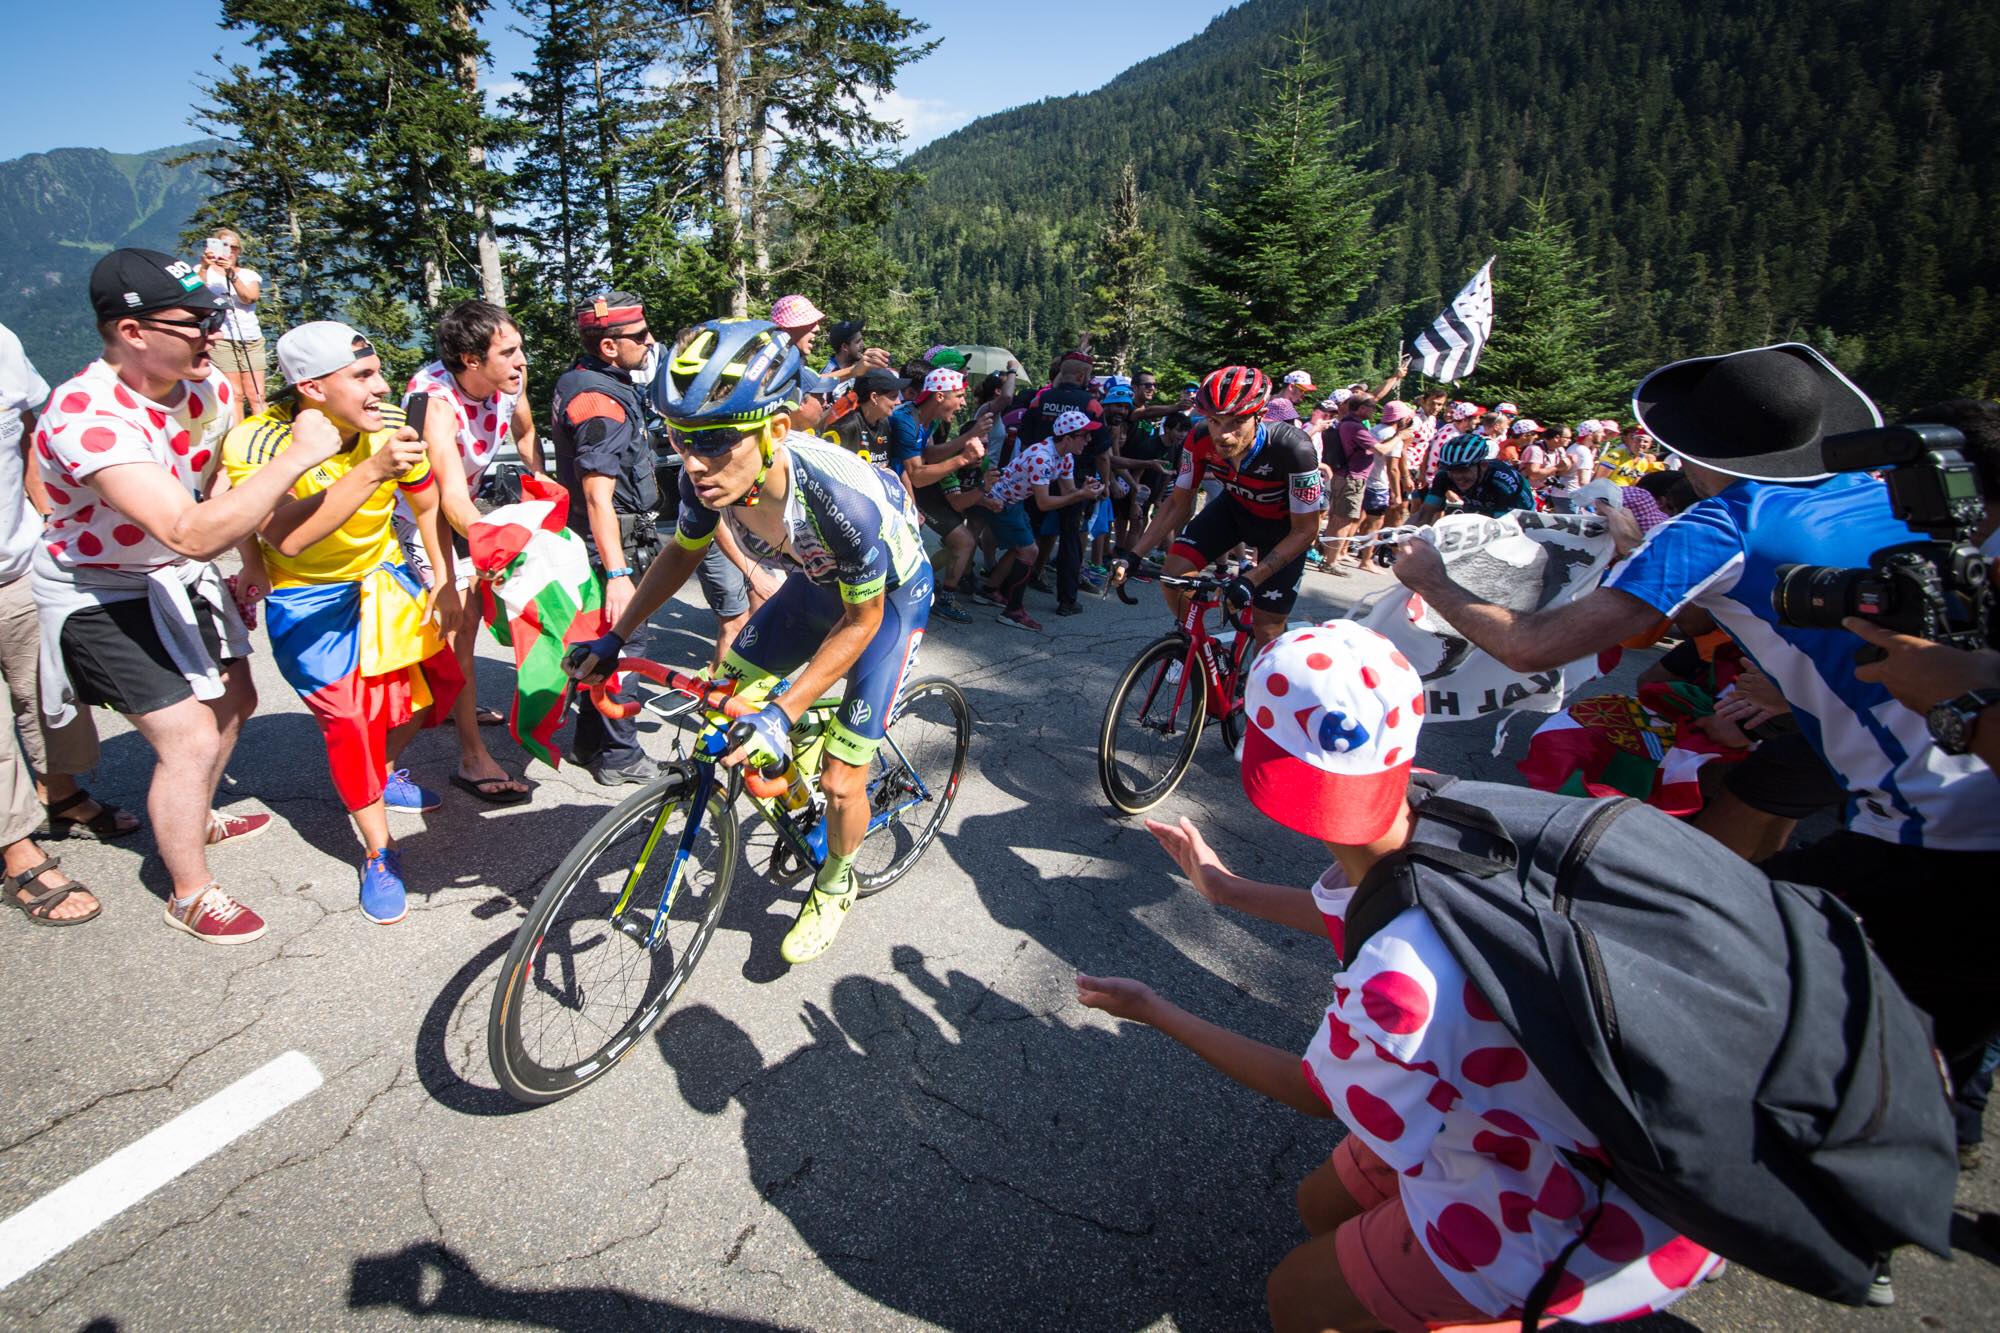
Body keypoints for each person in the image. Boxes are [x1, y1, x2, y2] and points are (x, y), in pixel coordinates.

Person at [1389, 342, 2000, 1095]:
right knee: (1939, 1045)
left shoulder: (1719, 525)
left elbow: (1531, 646)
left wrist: (1433, 580)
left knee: (1735, 986)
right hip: (1975, 774)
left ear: (1693, 448)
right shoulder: (1876, 488)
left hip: (1929, 829)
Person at [1078, 621, 1716, 1331]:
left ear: (1273, 769)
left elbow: (1317, 1089)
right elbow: (1363, 903)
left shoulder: (1397, 977)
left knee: (1296, 1299)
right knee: (1320, 1205)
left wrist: (1157, 1008)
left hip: (1575, 1194)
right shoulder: (1447, 805)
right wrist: (1226, 891)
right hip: (1510, 1105)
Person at [566, 319, 931, 965]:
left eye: (718, 443)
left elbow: (863, 620)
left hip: (888, 600)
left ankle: (837, 878)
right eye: (683, 439)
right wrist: (616, 637)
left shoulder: (838, 498)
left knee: (846, 780)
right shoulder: (705, 475)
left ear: (776, 430)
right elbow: (684, 550)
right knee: (722, 700)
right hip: (819, 586)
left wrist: (781, 711)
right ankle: (790, 777)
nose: (698, 464)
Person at [32, 249, 332, 943]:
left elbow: (215, 488)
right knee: (189, 736)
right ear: (132, 331)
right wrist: (297, 455)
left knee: (236, 700)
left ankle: (190, 812)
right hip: (98, 585)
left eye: (216, 317)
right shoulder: (85, 414)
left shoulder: (210, 392)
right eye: (196, 320)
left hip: (174, 567)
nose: (214, 335)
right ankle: (191, 891)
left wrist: (252, 557)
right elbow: (187, 527)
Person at [222, 321, 463, 923]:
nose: (380, 387)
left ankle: (379, 774)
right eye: (362, 376)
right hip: (308, 603)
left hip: (384, 582)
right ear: (311, 388)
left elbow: (427, 501)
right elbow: (288, 537)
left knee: (442, 690)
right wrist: (375, 469)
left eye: (378, 371)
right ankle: (380, 852)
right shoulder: (257, 441)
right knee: (350, 721)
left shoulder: (376, 428)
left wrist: (446, 577)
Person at [1, 321, 135, 928]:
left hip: (19, 556)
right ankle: (17, 849)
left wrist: (47, 510)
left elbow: (31, 428)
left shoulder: (4, 341)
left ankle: (61, 794)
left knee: (47, 695)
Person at [397, 300, 541, 802]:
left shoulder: (510, 380)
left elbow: (525, 430)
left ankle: (460, 697)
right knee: (459, 620)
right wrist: (498, 548)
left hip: (465, 506)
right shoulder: (433, 399)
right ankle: (471, 755)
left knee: (476, 617)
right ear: (470, 360)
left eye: (519, 347)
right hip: (418, 516)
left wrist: (540, 486)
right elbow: (447, 499)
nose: (523, 360)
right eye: (509, 352)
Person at [545, 293, 670, 786]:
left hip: (594, 540)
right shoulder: (602, 403)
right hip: (611, 543)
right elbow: (599, 496)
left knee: (596, 639)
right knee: (624, 640)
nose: (650, 341)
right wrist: (618, 574)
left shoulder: (577, 380)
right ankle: (622, 757)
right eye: (640, 336)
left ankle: (588, 743)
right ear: (611, 347)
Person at [1111, 367, 1323, 648]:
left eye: (1236, 422)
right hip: (1234, 511)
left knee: (1268, 629)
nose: (1223, 435)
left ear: (1260, 416)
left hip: (1284, 531)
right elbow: (1177, 503)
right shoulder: (1198, 438)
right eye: (1214, 421)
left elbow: (1306, 531)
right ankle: (1197, 647)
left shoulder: (1294, 449)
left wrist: (1251, 578)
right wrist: (1134, 555)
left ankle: (1257, 689)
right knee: (1173, 575)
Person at [977, 409, 1103, 630]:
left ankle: (989, 590)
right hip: (998, 502)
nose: (1089, 440)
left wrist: (1083, 489)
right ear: (1068, 437)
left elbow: (1068, 492)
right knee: (1029, 551)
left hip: (1012, 502)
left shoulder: (1065, 457)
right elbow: (1044, 503)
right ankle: (1013, 611)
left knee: (1023, 548)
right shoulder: (1041, 458)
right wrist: (1080, 495)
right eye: (1085, 435)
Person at [885, 367, 990, 623]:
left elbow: (928, 456)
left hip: (906, 487)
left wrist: (967, 438)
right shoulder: (905, 419)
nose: (964, 402)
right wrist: (963, 458)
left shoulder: (926, 418)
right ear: (940, 396)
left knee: (958, 542)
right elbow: (918, 473)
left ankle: (918, 603)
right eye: (959, 395)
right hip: (891, 490)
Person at [197, 228, 267, 416]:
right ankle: (238, 438)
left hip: (250, 337)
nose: (230, 251)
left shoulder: (248, 274)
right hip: (221, 338)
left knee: (257, 394)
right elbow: (194, 295)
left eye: (234, 248)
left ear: (239, 251)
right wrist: (204, 267)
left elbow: (250, 298)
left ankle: (263, 433)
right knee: (235, 394)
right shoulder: (202, 272)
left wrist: (231, 274)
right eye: (225, 246)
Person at [1410, 433, 1538, 524]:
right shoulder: (1444, 475)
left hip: (1517, 513)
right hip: (1480, 504)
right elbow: (1425, 513)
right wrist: (1402, 536)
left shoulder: (1502, 480)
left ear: (1483, 465)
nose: (1457, 476)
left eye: (1463, 470)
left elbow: (1502, 527)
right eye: (1452, 470)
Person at [1318, 392, 1381, 572]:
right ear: (1361, 408)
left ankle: (1328, 558)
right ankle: (1331, 562)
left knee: (1335, 519)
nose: (1373, 411)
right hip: (1352, 478)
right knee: (1343, 521)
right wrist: (1400, 436)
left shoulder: (1345, 423)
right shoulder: (1356, 428)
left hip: (1342, 475)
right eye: (1371, 408)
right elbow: (1381, 449)